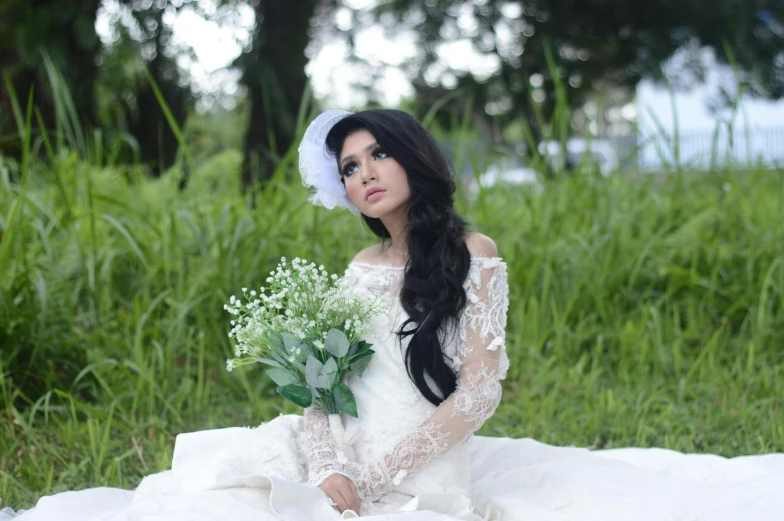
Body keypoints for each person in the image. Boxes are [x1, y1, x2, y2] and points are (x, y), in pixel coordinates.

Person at [4, 109, 783, 521]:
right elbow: (322, 381)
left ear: (412, 155)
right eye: (348, 166)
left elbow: (479, 393)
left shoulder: (473, 251)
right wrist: (334, 463)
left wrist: (378, 476)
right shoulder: (357, 269)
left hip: (420, 462)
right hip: (346, 450)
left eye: (377, 153)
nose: (364, 173)